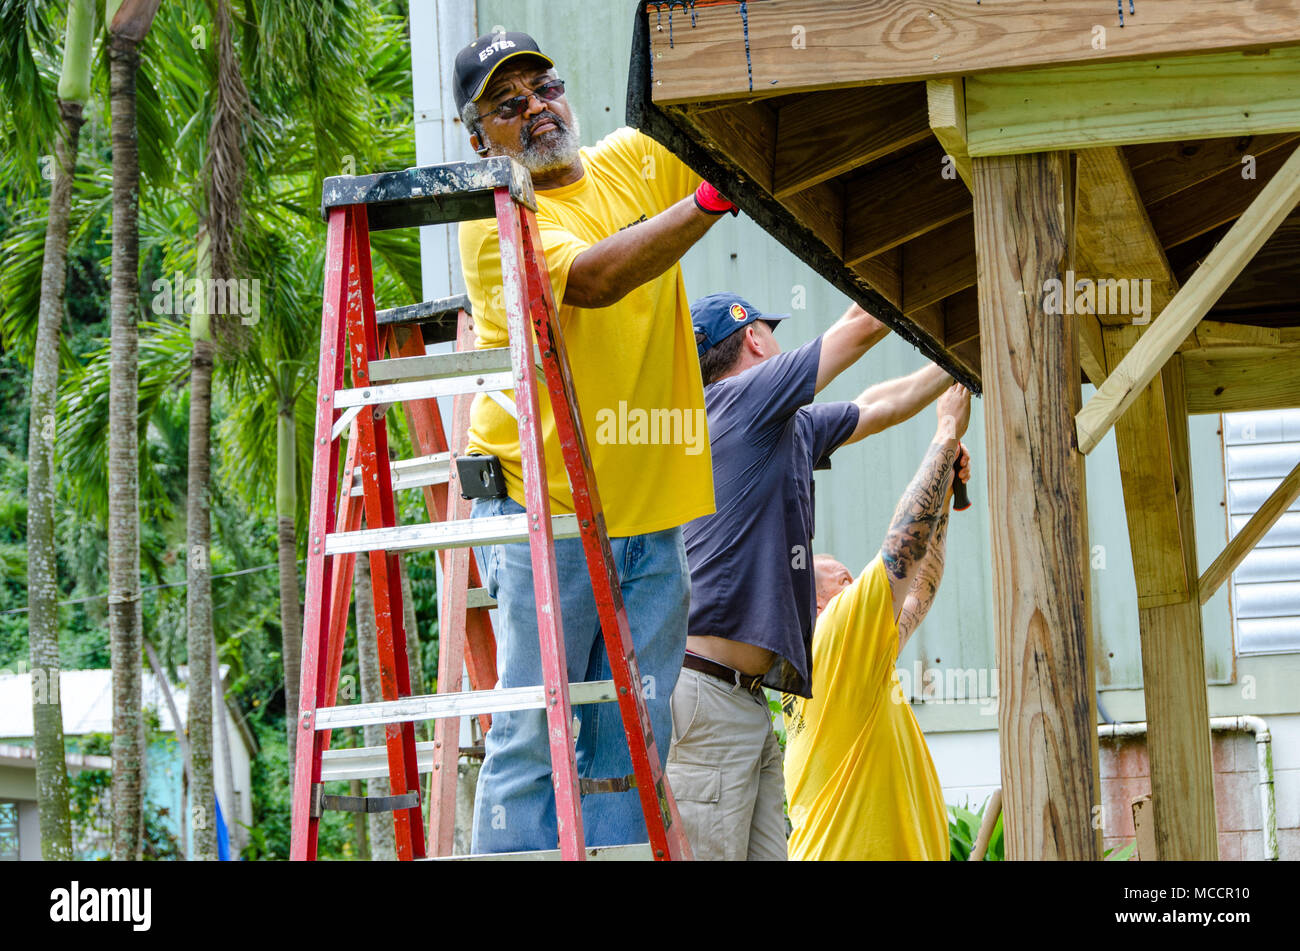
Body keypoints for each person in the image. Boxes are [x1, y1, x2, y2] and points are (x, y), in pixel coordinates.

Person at [451, 30, 738, 853]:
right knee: (534, 724)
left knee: (632, 726)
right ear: (480, 138)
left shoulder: (626, 162)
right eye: (509, 104)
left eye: (544, 88)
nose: (537, 109)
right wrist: (710, 203)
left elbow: (702, 120)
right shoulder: (496, 211)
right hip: (549, 511)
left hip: (645, 507)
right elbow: (602, 278)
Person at [667, 291, 955, 860]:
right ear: (754, 338)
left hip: (745, 699)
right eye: (772, 333)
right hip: (708, 694)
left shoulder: (781, 425)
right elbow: (863, 324)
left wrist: (955, 370)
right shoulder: (740, 398)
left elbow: (879, 405)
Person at [782, 384, 972, 860]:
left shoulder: (847, 667)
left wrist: (944, 491)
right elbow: (901, 551)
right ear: (831, 594)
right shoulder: (832, 635)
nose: (853, 578)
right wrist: (946, 432)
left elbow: (917, 593)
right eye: (843, 575)